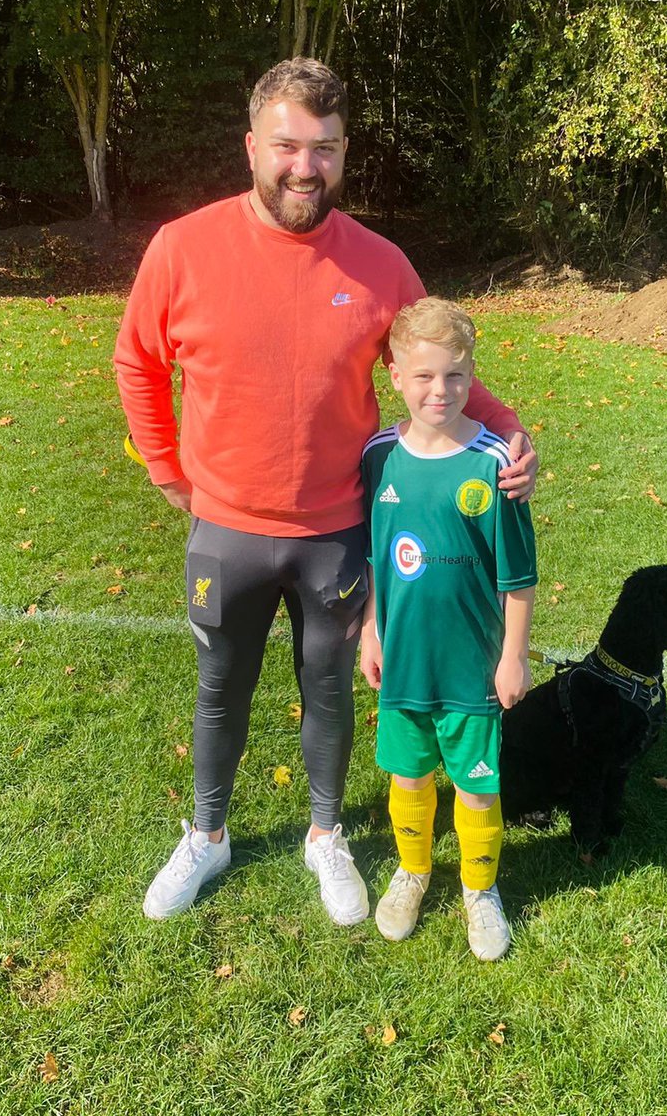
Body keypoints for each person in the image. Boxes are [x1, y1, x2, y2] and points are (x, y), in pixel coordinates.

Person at [114, 57, 538, 927]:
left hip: (338, 532)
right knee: (220, 689)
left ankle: (322, 835)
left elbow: (435, 358)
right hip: (224, 531)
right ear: (251, 147)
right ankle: (209, 835)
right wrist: (166, 470)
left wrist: (508, 434)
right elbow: (137, 363)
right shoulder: (182, 247)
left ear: (345, 154)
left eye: (326, 149)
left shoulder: (380, 264)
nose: (305, 167)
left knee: (332, 688)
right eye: (287, 146)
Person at [359, 297, 537, 959]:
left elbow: (517, 578)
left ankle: (478, 889)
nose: (441, 390)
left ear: (472, 375)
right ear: (396, 377)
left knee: (475, 784)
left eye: (456, 376)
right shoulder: (378, 459)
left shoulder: (496, 467)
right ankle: (413, 870)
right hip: (404, 662)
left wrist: (513, 657)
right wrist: (370, 629)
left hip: (473, 666)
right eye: (425, 376)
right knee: (407, 778)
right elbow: (376, 557)